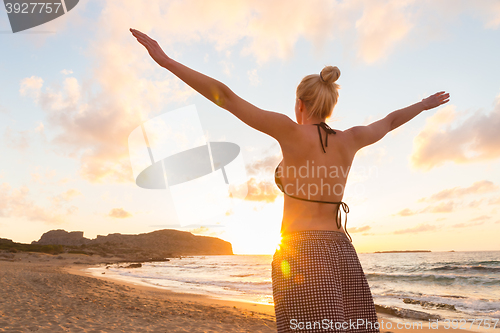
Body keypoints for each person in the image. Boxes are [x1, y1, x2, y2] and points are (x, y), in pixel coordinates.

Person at [130, 28, 450, 332]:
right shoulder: (352, 138)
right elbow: (391, 121)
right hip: (343, 253)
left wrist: (167, 62)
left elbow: (225, 97)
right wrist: (423, 105)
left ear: (299, 103)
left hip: (301, 252)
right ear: (329, 104)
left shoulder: (289, 131)